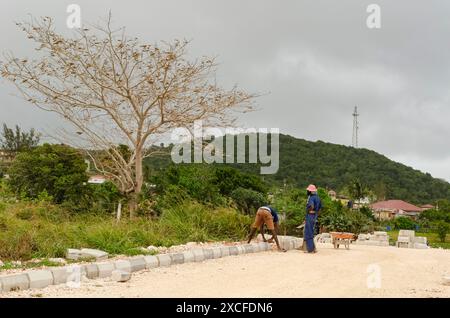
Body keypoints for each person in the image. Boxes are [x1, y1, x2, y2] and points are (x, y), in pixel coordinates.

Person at [304, 184, 322, 253]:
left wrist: (309, 211)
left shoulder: (311, 197)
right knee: (311, 231)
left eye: (308, 190)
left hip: (310, 215)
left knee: (308, 232)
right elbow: (320, 209)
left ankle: (310, 249)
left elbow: (311, 206)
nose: (307, 191)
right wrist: (316, 213)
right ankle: (313, 248)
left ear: (311, 191)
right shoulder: (318, 198)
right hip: (315, 216)